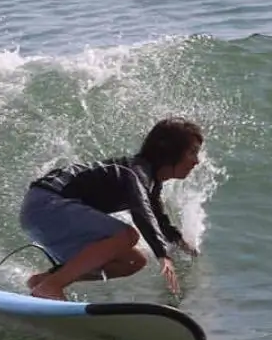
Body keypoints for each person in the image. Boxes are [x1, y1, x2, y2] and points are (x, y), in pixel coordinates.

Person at [20, 117, 203, 300]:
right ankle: (52, 286)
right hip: (46, 204)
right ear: (171, 151)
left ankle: (46, 280)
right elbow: (142, 212)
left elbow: (158, 219)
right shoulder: (136, 172)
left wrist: (182, 244)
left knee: (133, 262)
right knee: (127, 235)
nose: (196, 161)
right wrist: (162, 254)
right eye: (192, 152)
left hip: (46, 213)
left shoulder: (150, 182)